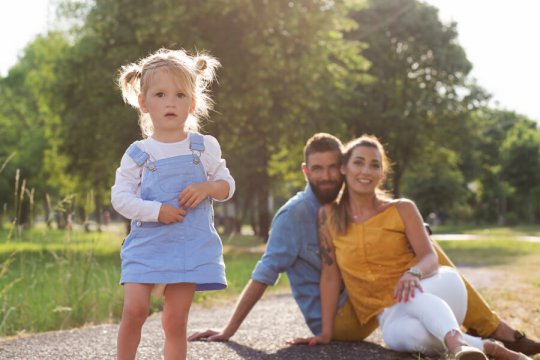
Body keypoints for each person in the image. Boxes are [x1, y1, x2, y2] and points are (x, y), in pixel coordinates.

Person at [188, 133, 540, 356]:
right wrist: (229, 330)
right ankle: (495, 335)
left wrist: (412, 254)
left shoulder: (365, 206)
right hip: (346, 313)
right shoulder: (299, 215)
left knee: (421, 251)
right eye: (317, 169)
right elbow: (265, 274)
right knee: (420, 263)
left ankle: (477, 343)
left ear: (341, 169)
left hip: (381, 299)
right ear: (305, 171)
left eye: (332, 168)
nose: (326, 175)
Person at [289, 135, 531, 360]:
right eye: (358, 163)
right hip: (393, 313)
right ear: (344, 168)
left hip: (439, 287)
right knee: (403, 338)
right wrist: (325, 334)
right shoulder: (327, 217)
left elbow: (429, 257)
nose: (366, 171)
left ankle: (456, 343)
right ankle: (489, 348)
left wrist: (413, 273)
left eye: (374, 165)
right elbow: (330, 276)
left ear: (382, 173)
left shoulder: (402, 208)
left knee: (410, 295)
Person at [112, 48, 235, 360]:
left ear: (191, 104)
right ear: (143, 101)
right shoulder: (139, 153)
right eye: (160, 94)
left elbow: (227, 186)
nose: (170, 102)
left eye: (180, 95)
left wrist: (208, 186)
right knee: (135, 310)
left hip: (188, 245)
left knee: (175, 321)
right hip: (147, 245)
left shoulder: (203, 147)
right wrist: (157, 211)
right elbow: (120, 198)